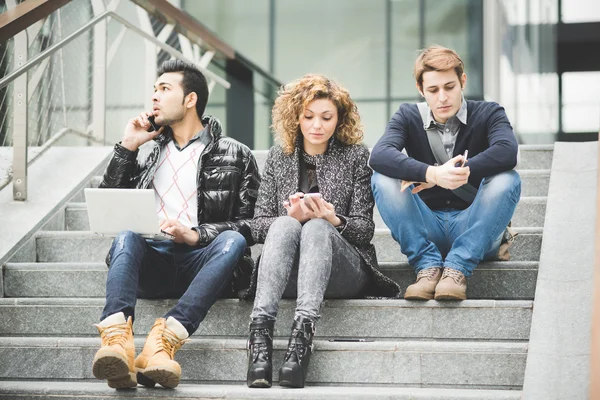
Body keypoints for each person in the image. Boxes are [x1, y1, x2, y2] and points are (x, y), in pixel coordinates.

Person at [91, 60, 260, 389]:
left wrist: (197, 235)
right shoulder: (151, 153)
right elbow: (108, 207)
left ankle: (163, 341)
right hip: (153, 260)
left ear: (191, 99)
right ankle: (116, 343)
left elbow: (254, 224)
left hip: (205, 264)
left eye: (165, 89)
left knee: (233, 241)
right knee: (126, 235)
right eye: (154, 90)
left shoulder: (236, 154)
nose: (155, 96)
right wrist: (127, 147)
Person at [245, 74, 401, 389]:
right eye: (309, 116)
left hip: (343, 272)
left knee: (317, 225)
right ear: (295, 117)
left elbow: (363, 230)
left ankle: (301, 341)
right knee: (286, 223)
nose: (318, 125)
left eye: (327, 117)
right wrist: (288, 216)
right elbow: (257, 224)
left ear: (339, 119)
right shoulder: (279, 156)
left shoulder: (357, 155)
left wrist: (333, 219)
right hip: (286, 271)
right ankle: (259, 343)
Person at [369, 45, 521, 301]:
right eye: (433, 90)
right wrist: (433, 174)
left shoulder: (489, 112)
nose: (442, 97)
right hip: (427, 228)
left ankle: (458, 268)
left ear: (462, 81)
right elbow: (380, 155)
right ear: (421, 90)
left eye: (449, 87)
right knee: (382, 178)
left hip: (474, 228)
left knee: (508, 179)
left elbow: (507, 151)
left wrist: (460, 172)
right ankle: (427, 266)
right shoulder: (407, 115)